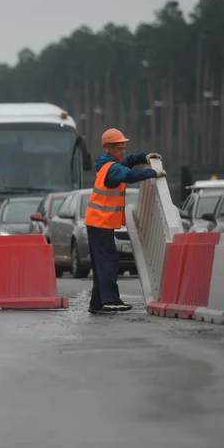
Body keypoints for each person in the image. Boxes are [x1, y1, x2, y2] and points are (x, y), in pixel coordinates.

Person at [85, 128, 165, 315]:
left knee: (101, 263)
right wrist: (153, 173)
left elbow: (128, 161)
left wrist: (144, 156)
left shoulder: (110, 164)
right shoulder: (112, 169)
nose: (123, 152)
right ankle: (111, 300)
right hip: (100, 222)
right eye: (120, 148)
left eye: (124, 148)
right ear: (110, 148)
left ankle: (97, 303)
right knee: (108, 262)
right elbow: (129, 175)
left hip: (97, 222)